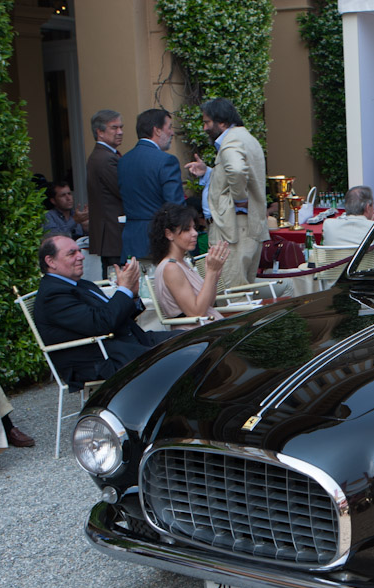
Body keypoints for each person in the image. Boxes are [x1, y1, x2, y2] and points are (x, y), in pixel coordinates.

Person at [33, 234, 175, 390]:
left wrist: (132, 295)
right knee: (173, 361)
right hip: (98, 358)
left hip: (126, 342)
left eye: (79, 251)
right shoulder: (53, 295)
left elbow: (112, 317)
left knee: (190, 341)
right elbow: (101, 323)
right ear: (50, 261)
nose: (81, 256)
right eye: (71, 253)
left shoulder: (81, 284)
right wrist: (124, 290)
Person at [183, 98, 267, 288]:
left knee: (231, 294)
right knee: (241, 292)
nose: (204, 128)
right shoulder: (245, 138)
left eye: (207, 122)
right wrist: (209, 172)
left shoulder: (231, 141)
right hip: (242, 228)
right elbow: (237, 172)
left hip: (233, 230)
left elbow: (236, 170)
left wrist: (239, 199)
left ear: (222, 122)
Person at [117, 108, 185, 261]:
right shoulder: (166, 160)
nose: (172, 133)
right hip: (158, 239)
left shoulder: (123, 161)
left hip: (131, 236)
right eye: (169, 127)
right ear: (157, 130)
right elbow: (175, 207)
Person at [148, 203, 228, 330]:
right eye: (187, 229)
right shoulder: (171, 268)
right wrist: (211, 272)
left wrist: (214, 276)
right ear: (169, 234)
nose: (195, 233)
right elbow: (196, 312)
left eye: (194, 228)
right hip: (195, 334)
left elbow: (208, 304)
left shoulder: (181, 263)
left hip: (208, 327)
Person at [86, 109, 125, 279]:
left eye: (121, 127)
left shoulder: (104, 156)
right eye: (114, 128)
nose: (120, 132)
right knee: (117, 281)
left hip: (110, 233)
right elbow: (122, 189)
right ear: (100, 132)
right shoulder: (105, 158)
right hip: (112, 232)